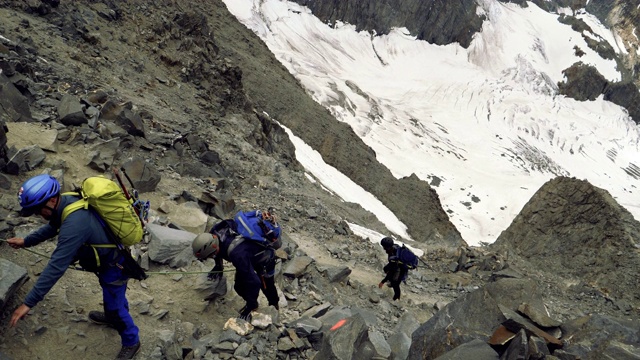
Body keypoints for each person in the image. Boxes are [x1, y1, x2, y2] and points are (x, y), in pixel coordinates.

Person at [7, 174, 141, 360]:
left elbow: (56, 266)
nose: (39, 215)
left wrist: (28, 303)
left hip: (115, 265)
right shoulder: (67, 201)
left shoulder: (75, 224)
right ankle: (112, 316)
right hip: (107, 262)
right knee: (113, 297)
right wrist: (26, 241)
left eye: (38, 210)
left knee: (116, 304)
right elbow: (53, 227)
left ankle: (131, 340)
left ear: (52, 200)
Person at [192, 210, 281, 321]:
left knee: (266, 285)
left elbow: (254, 283)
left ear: (213, 250)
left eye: (210, 256)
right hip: (248, 255)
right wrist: (218, 267)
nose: (210, 258)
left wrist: (250, 306)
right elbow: (217, 254)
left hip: (264, 260)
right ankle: (255, 303)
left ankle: (273, 307)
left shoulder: (237, 255)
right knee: (239, 287)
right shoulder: (215, 232)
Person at [378, 236, 408, 301]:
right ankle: (392, 283)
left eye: (384, 247)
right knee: (387, 270)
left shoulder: (394, 256)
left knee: (395, 283)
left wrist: (383, 281)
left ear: (387, 247)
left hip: (401, 268)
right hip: (398, 266)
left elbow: (392, 269)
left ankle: (396, 299)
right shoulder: (394, 248)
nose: (383, 248)